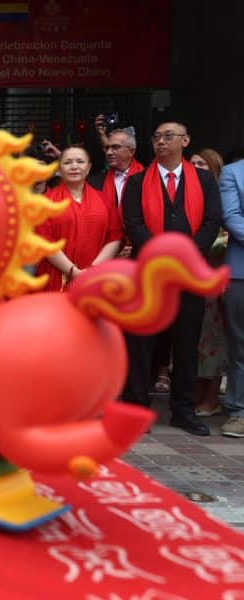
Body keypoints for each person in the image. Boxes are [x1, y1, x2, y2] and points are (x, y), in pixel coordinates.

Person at [122, 122, 222, 436]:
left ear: (186, 140)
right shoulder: (138, 182)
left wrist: (185, 253)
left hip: (190, 273)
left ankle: (182, 410)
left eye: (168, 136)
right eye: (157, 137)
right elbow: (133, 222)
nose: (161, 141)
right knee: (142, 343)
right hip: (149, 273)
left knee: (186, 343)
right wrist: (161, 253)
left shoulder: (204, 180)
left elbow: (211, 222)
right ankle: (137, 409)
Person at [35, 146, 123, 291]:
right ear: (59, 169)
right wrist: (74, 272)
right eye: (68, 162)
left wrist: (92, 270)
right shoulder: (45, 202)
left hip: (96, 275)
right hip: (57, 276)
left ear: (88, 168)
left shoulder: (104, 200)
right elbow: (45, 242)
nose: (74, 166)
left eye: (80, 162)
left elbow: (114, 238)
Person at [190, 148, 228, 419]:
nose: (196, 167)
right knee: (194, 339)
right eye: (192, 163)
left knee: (213, 340)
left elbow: (226, 237)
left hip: (214, 277)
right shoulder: (187, 195)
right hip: (188, 277)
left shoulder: (223, 197)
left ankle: (212, 396)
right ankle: (198, 391)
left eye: (202, 164)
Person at [219, 153, 244, 438]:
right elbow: (232, 217)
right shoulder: (233, 172)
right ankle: (239, 410)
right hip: (241, 271)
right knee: (241, 345)